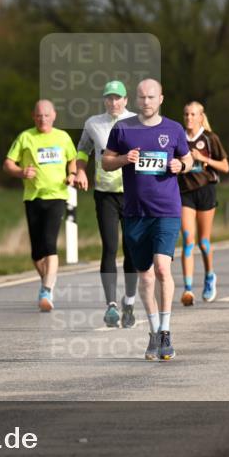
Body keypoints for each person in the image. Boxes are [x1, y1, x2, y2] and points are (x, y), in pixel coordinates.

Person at [102, 78, 191, 361]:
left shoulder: (174, 129)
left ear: (160, 99)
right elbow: (105, 161)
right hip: (135, 213)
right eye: (142, 97)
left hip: (166, 210)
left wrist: (181, 165)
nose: (146, 102)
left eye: (151, 97)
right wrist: (124, 159)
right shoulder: (123, 128)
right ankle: (153, 332)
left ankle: (166, 331)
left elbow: (189, 159)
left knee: (162, 268)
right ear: (135, 100)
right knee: (146, 275)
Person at [3, 100, 78, 311]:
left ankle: (46, 289)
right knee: (37, 253)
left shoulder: (63, 137)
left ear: (54, 115)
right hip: (33, 197)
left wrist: (72, 174)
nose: (42, 119)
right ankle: (48, 282)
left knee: (49, 244)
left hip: (57, 196)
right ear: (33, 117)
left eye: (46, 115)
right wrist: (21, 172)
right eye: (38, 116)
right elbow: (8, 163)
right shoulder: (25, 137)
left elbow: (72, 159)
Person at [75, 81, 139, 327]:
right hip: (106, 194)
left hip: (132, 193)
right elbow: (83, 150)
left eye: (118, 98)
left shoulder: (136, 122)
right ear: (104, 100)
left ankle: (129, 302)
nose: (113, 102)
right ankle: (111, 305)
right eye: (109, 98)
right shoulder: (93, 123)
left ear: (126, 100)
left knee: (131, 249)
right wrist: (80, 170)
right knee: (110, 247)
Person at [178, 101, 229, 306]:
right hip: (184, 193)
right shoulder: (178, 137)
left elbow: (225, 166)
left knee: (203, 242)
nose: (189, 118)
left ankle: (209, 276)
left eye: (193, 114)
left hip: (206, 191)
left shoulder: (210, 138)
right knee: (187, 240)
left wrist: (203, 159)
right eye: (186, 114)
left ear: (201, 117)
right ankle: (188, 289)